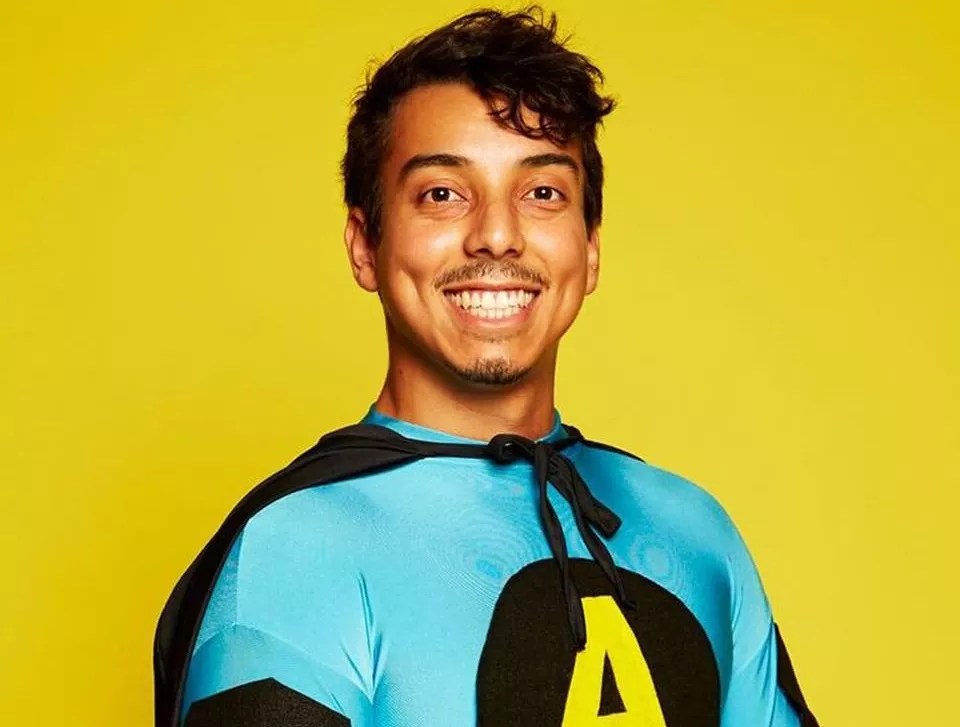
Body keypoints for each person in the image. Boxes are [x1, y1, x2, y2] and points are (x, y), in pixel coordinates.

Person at [154, 7, 818, 726]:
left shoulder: (696, 532)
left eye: (542, 193)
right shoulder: (295, 553)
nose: (497, 235)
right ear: (364, 245)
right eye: (443, 194)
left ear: (590, 247)